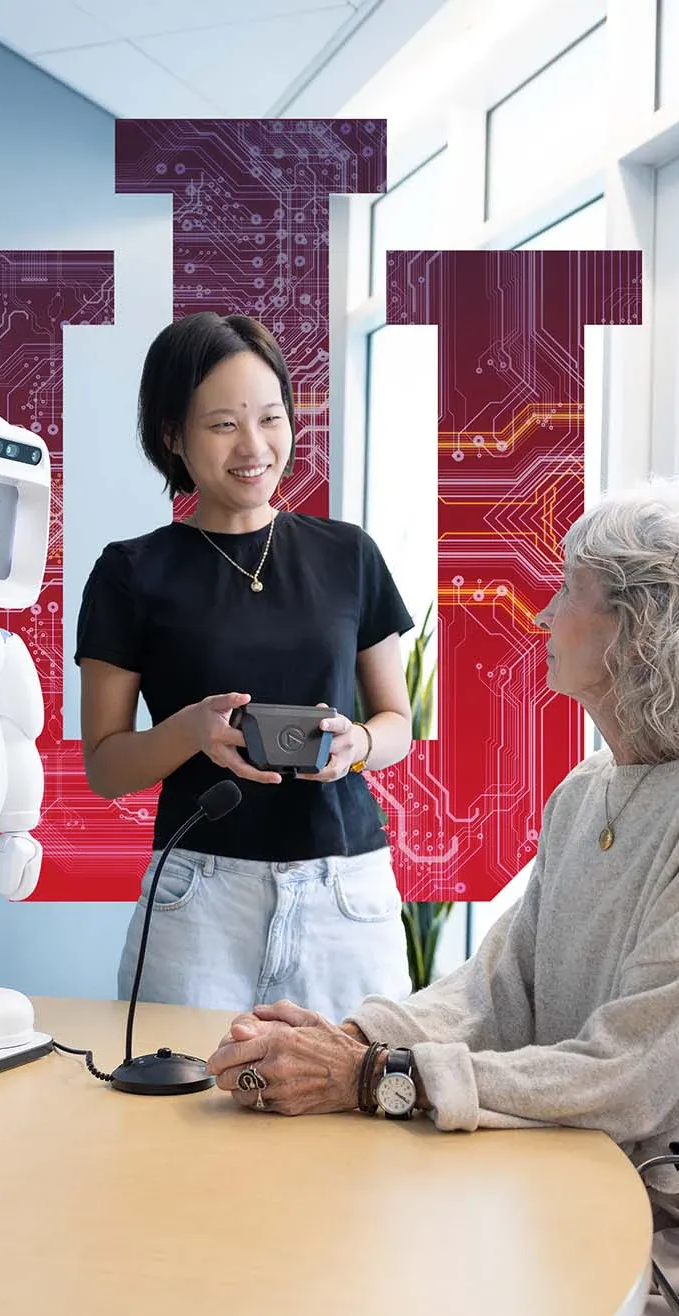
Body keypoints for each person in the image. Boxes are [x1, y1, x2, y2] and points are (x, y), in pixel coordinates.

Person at [204, 489, 679, 1316]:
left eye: (570, 589)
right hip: (584, 1165)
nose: (544, 613)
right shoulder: (589, 789)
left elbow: (637, 1069)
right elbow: (496, 988)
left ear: (639, 623)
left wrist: (372, 1080)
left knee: (366, 1280)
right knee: (322, 1220)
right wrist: (355, 1039)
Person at [74, 312, 414, 1019]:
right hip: (198, 899)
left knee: (355, 1117)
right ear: (173, 434)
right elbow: (106, 768)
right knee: (178, 1120)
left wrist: (358, 744)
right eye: (223, 425)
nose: (254, 447)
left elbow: (397, 724)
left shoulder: (349, 555)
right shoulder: (130, 573)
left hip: (342, 891)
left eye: (270, 417)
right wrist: (192, 731)